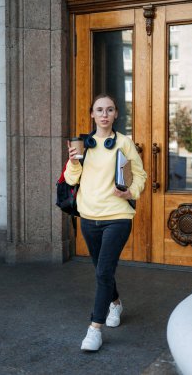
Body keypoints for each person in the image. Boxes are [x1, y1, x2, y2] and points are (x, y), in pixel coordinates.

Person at [64, 94, 147, 351]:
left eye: (109, 110)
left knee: (102, 272)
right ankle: (115, 303)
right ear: (92, 114)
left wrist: (130, 192)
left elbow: (140, 174)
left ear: (116, 114)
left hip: (117, 217)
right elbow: (70, 179)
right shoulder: (84, 144)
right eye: (99, 110)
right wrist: (74, 161)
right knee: (102, 270)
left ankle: (94, 329)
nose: (104, 114)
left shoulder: (124, 142)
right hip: (89, 217)